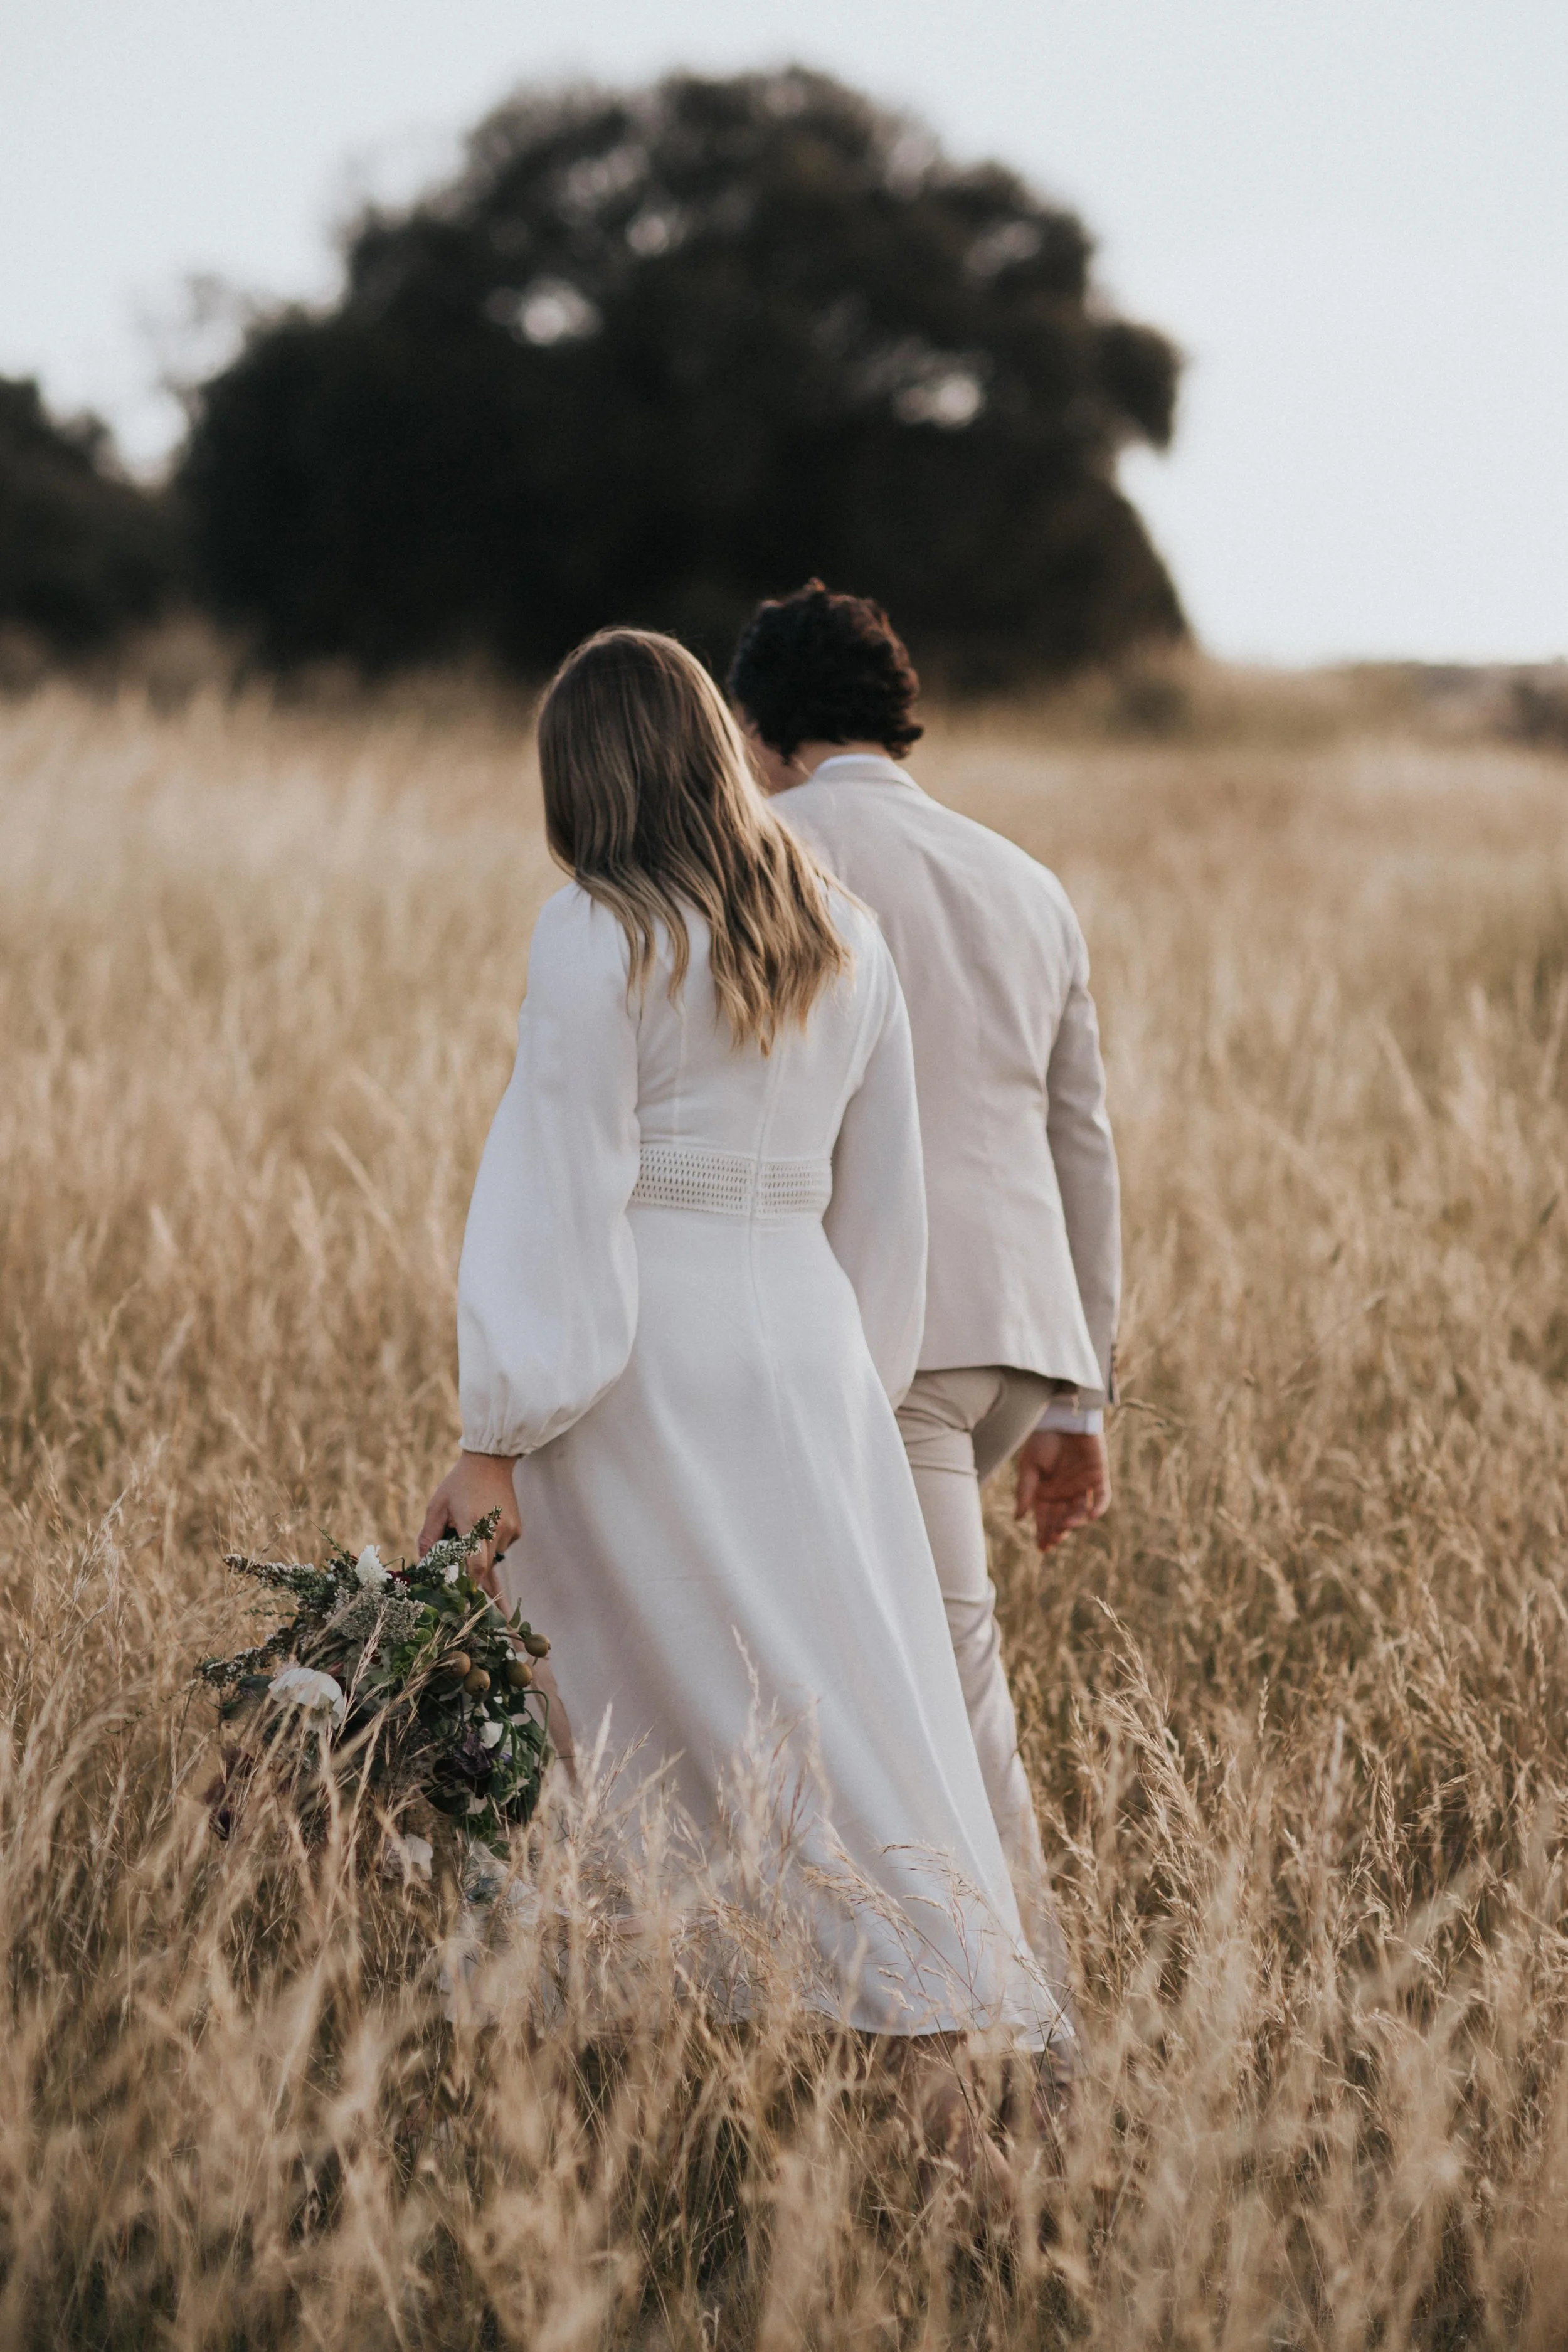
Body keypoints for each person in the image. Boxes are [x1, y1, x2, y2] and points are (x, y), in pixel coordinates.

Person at [419, 628, 1069, 2078]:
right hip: (813, 1350)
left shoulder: (595, 927)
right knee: (828, 1712)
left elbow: (560, 1183)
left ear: (583, 777)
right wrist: (854, 1374)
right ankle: (929, 2021)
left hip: (639, 1363)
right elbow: (889, 1203)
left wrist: (492, 1433)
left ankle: (619, 2052)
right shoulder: (843, 930)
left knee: (618, 1709)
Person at [729, 582, 1120, 1963]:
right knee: (888, 1686)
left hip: (872, 1339)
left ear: (758, 726)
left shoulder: (761, 851)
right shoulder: (1023, 877)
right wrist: (1078, 1401)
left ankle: (1037, 2035)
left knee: (949, 1704)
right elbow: (1080, 1140)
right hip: (1014, 1336)